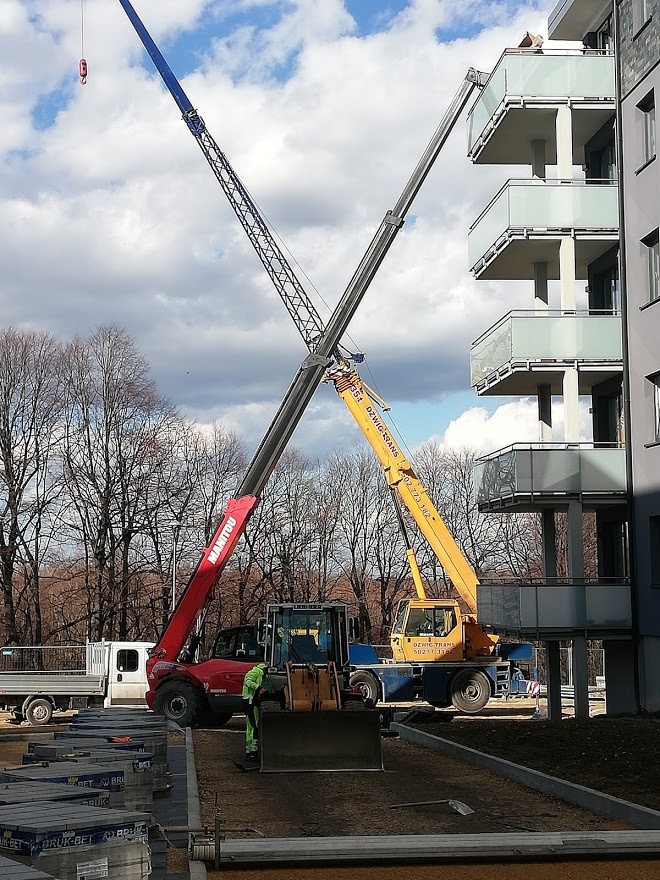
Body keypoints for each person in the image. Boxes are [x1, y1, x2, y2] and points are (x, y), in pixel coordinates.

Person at [241, 661, 268, 761]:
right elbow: (248, 681)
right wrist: (259, 688)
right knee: (253, 726)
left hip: (250, 702)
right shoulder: (256, 672)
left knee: (251, 727)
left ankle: (250, 751)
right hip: (250, 702)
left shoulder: (256, 672)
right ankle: (252, 752)